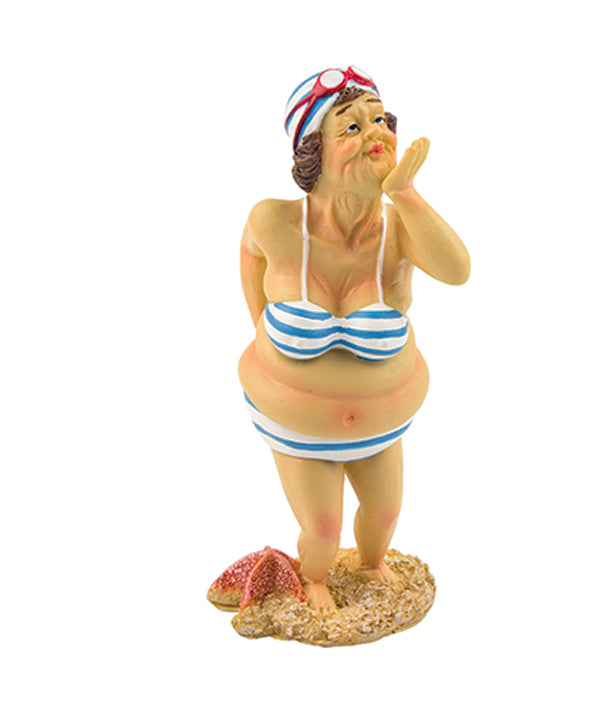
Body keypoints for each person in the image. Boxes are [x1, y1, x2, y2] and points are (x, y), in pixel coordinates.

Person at [238, 66, 470, 611]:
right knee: (322, 532)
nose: (375, 135)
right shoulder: (273, 221)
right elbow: (250, 257)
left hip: (383, 428)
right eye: (352, 126)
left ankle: (370, 566)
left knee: (385, 517)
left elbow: (458, 270)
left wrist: (405, 193)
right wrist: (265, 339)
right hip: (300, 432)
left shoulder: (399, 229)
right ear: (313, 151)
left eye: (381, 121)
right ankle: (314, 581)